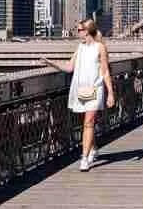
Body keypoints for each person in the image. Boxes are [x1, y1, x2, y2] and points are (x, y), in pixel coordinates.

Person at [42, 19, 115, 172]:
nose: (78, 32)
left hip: (96, 89)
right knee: (87, 123)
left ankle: (84, 158)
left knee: (88, 122)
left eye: (80, 29)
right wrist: (51, 63)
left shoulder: (100, 47)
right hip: (83, 90)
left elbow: (105, 71)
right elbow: (69, 67)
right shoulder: (80, 48)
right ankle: (92, 148)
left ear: (87, 31)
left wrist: (110, 94)